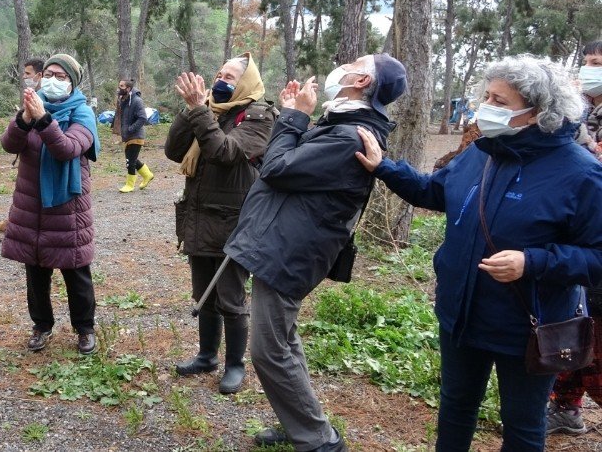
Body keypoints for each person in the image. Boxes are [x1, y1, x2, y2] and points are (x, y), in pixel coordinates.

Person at [356, 55, 602, 451]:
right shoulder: (483, 152)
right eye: (486, 96)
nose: (485, 107)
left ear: (537, 112)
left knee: (521, 425)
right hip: (461, 315)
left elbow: (597, 258)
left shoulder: (581, 174)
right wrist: (385, 167)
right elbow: (436, 192)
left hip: (527, 327)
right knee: (455, 407)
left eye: (499, 101)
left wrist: (532, 261)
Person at [225, 53, 408, 451]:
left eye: (355, 62)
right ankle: (302, 426)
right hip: (284, 243)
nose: (342, 65)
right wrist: (295, 114)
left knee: (269, 350)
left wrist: (294, 118)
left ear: (361, 80)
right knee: (284, 342)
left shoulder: (349, 137)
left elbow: (277, 169)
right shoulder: (341, 123)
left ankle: (319, 440)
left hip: (292, 251)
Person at [165, 53, 275, 394]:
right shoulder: (208, 109)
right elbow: (173, 150)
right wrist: (193, 110)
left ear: (245, 81)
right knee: (204, 293)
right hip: (199, 216)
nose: (220, 79)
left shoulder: (259, 115)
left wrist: (200, 111)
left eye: (229, 75)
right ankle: (206, 355)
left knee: (230, 297)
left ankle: (235, 365)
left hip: (234, 221)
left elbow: (226, 153)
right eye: (218, 73)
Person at [0, 53, 101, 355]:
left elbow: (67, 148)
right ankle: (41, 325)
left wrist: (43, 119)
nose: (53, 81)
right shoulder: (31, 106)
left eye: (61, 76)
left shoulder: (83, 113)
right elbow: (9, 145)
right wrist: (23, 120)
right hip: (32, 203)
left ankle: (84, 329)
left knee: (76, 271)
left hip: (68, 208)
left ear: (72, 82)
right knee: (36, 271)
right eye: (49, 74)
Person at [546, 39, 602, 436]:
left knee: (595, 339)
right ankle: (566, 407)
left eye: (597, 63)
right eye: (586, 62)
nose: (588, 69)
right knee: (575, 329)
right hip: (580, 235)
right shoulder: (584, 111)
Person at [0, 58, 44, 233]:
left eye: (28, 73)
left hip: (40, 155)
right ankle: (12, 221)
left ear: (39, 75)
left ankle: (14, 224)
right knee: (24, 190)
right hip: (27, 151)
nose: (24, 76)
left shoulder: (44, 98)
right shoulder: (32, 94)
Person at [116, 78, 154, 192]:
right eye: (119, 86)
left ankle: (130, 185)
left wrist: (130, 129)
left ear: (128, 88)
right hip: (128, 135)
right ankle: (147, 175)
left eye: (121, 86)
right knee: (132, 159)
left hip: (136, 135)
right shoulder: (124, 100)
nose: (119, 88)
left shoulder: (136, 101)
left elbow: (143, 118)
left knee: (130, 161)